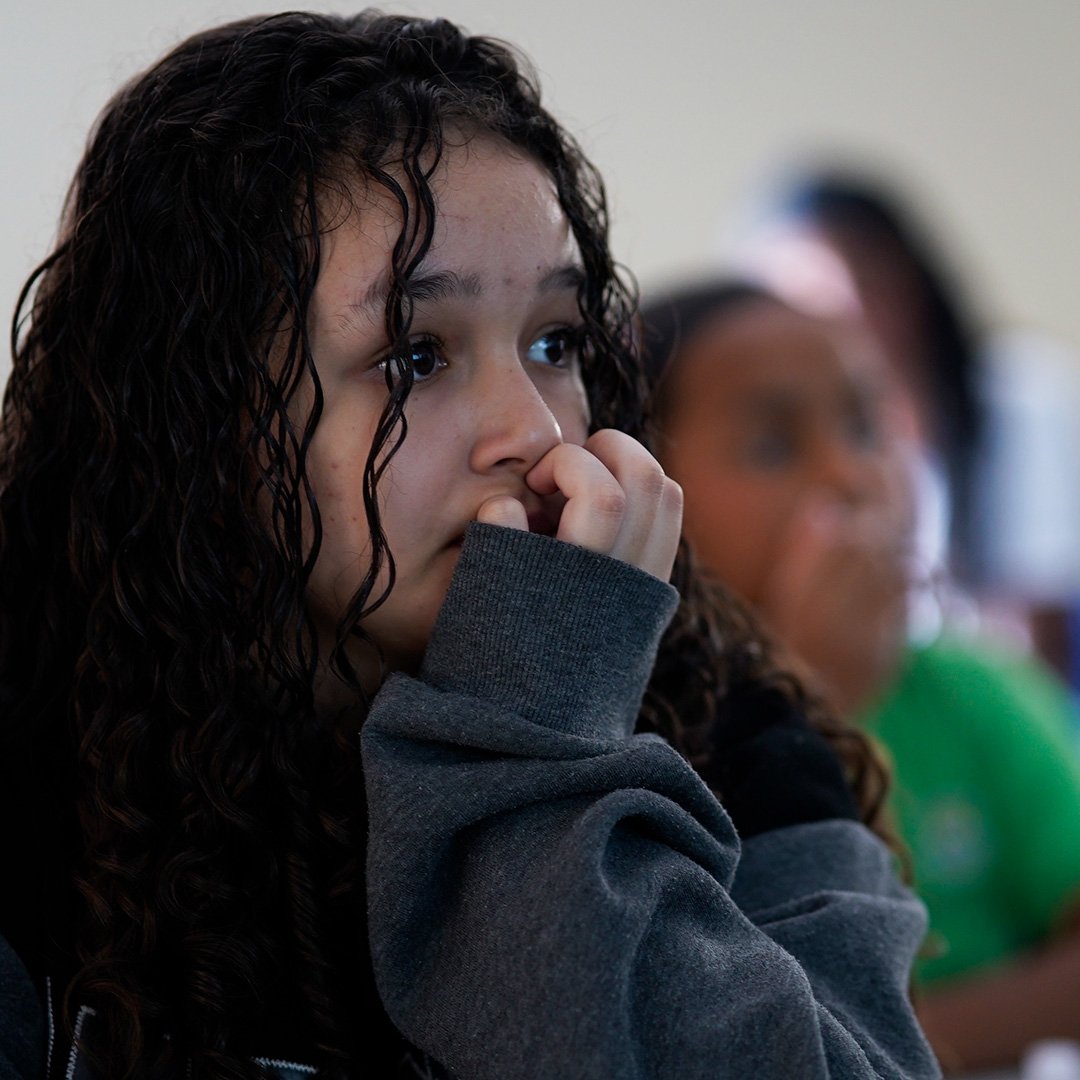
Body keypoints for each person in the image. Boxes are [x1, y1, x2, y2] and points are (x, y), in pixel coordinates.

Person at [0, 13, 939, 1079]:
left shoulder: (731, 736)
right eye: (414, 356)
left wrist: (541, 727)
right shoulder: (38, 753)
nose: (538, 433)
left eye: (556, 343)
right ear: (199, 420)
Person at [640, 279, 1080, 1074]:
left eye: (867, 424)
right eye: (772, 446)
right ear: (647, 498)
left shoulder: (971, 690)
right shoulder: (648, 745)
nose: (852, 474)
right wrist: (807, 699)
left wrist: (906, 1042)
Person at [732, 167, 1080, 683]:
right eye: (801, 300)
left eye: (864, 286)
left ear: (910, 285)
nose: (840, 317)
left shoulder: (1021, 393)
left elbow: (1037, 635)